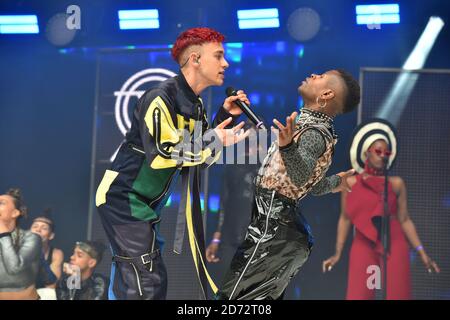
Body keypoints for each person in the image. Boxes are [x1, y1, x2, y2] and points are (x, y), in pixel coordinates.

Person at [96, 27, 249, 300]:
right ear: (195, 59)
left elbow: (198, 160)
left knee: (136, 278)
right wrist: (213, 139)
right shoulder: (159, 97)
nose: (226, 63)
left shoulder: (196, 104)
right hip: (123, 198)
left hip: (144, 203)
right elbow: (163, 154)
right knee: (147, 280)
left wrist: (225, 116)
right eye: (219, 56)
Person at [217, 70, 361, 300]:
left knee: (231, 300)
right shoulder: (312, 128)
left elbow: (300, 177)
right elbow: (310, 185)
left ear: (326, 94)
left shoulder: (313, 133)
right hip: (280, 231)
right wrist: (336, 182)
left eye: (320, 76)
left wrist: (286, 147)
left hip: (275, 231)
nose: (313, 74)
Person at [322, 125, 440, 300]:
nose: (383, 156)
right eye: (379, 151)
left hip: (394, 241)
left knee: (397, 292)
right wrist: (337, 253)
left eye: (387, 153)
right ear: (367, 152)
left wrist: (422, 253)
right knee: (360, 293)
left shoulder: (396, 183)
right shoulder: (351, 183)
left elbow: (404, 219)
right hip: (364, 240)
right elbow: (345, 218)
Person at [0, 188, 41, 300]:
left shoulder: (31, 238)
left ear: (15, 213)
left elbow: (14, 268)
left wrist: (3, 234)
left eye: (1, 203)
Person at [30, 209, 64, 289]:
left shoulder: (56, 254)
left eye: (44, 228)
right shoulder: (19, 249)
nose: (38, 230)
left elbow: (51, 287)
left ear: (51, 235)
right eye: (35, 226)